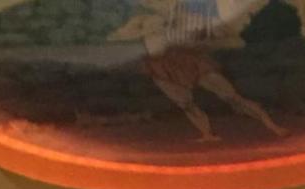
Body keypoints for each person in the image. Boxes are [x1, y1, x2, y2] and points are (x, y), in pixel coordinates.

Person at [111, 0, 288, 143]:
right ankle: (207, 134)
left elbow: (223, 35)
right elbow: (119, 37)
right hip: (161, 66)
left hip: (190, 60)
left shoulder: (188, 14)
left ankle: (272, 126)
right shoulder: (143, 21)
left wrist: (202, 34)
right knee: (186, 103)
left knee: (232, 97)